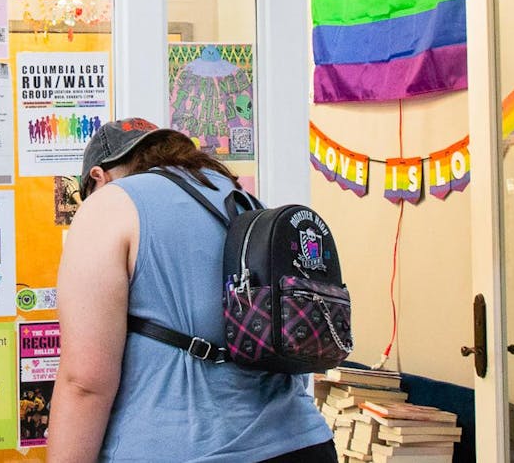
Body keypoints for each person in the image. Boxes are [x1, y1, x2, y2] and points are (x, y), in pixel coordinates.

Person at [49, 119, 333, 463]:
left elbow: (84, 382)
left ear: (98, 177)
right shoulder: (243, 199)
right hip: (304, 442)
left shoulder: (109, 204)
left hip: (184, 450)